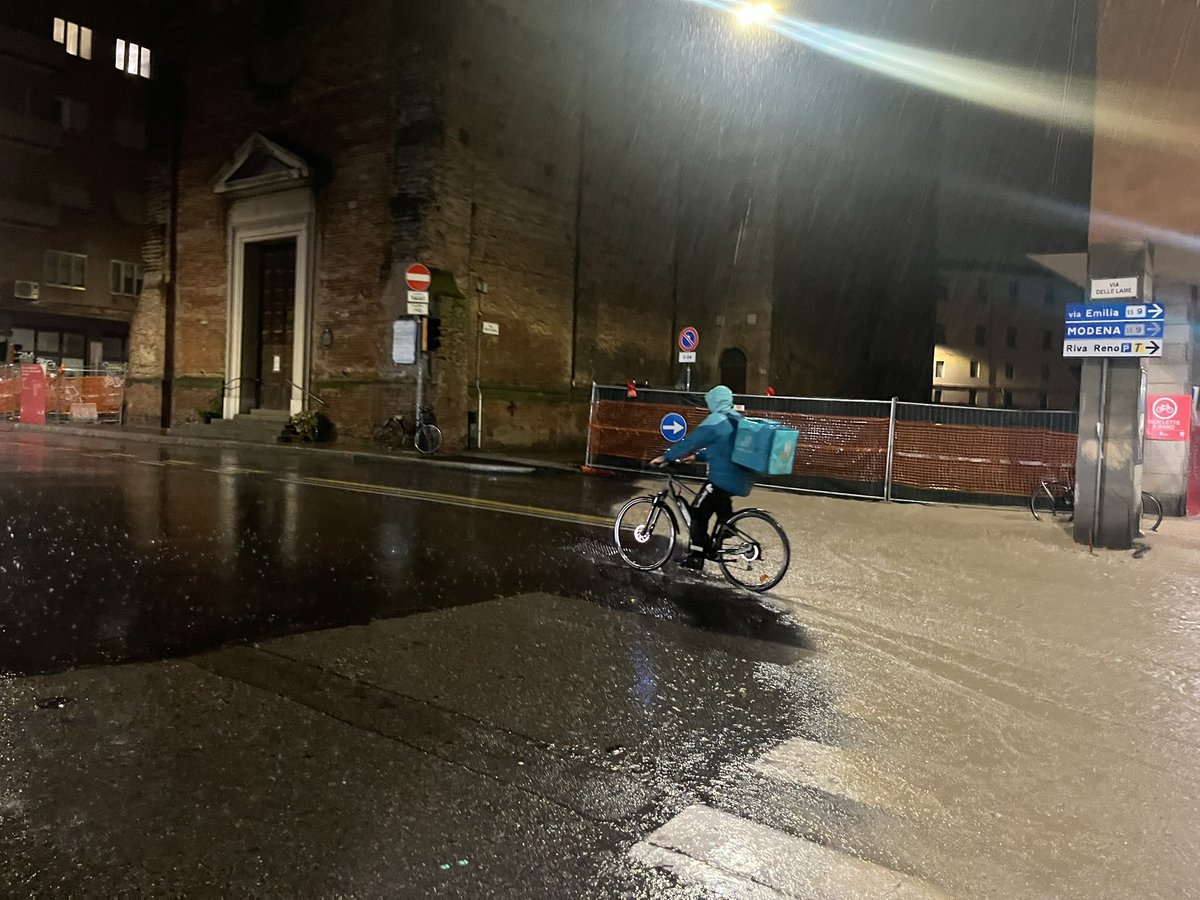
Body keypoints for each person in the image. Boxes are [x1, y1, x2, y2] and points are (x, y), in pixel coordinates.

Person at [650, 385, 751, 570]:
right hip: (739, 477)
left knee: (697, 513)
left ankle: (697, 556)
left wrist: (667, 456)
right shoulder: (735, 419)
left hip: (722, 479)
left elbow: (692, 441)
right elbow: (722, 449)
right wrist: (697, 457)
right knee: (718, 508)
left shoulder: (716, 420)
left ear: (714, 401)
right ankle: (726, 528)